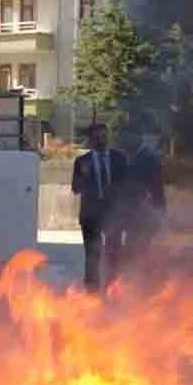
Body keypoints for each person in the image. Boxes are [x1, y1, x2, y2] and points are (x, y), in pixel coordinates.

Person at [71, 123, 127, 292]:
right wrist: (85, 178)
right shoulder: (82, 161)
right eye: (97, 137)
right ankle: (92, 293)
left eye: (104, 136)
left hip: (113, 214)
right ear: (90, 140)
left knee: (114, 253)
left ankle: (113, 288)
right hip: (91, 215)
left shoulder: (119, 158)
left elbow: (127, 185)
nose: (101, 140)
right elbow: (75, 188)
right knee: (92, 255)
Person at [116, 133, 166, 267]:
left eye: (127, 139)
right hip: (131, 214)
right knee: (131, 248)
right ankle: (133, 278)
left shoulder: (149, 159)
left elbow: (156, 188)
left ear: (137, 139)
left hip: (144, 213)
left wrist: (160, 212)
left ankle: (139, 279)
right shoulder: (128, 157)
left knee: (139, 249)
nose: (124, 144)